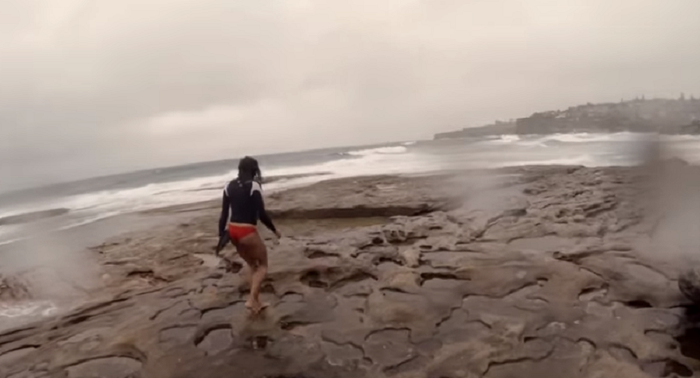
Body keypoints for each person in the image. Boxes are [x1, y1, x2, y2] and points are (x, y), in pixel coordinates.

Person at [218, 156, 280, 314]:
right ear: (254, 170)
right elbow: (262, 214)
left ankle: (257, 302)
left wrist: (222, 237)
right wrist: (274, 230)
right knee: (263, 265)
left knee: (253, 265)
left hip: (233, 231)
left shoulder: (228, 186)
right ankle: (252, 299)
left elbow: (224, 215)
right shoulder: (254, 186)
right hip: (247, 231)